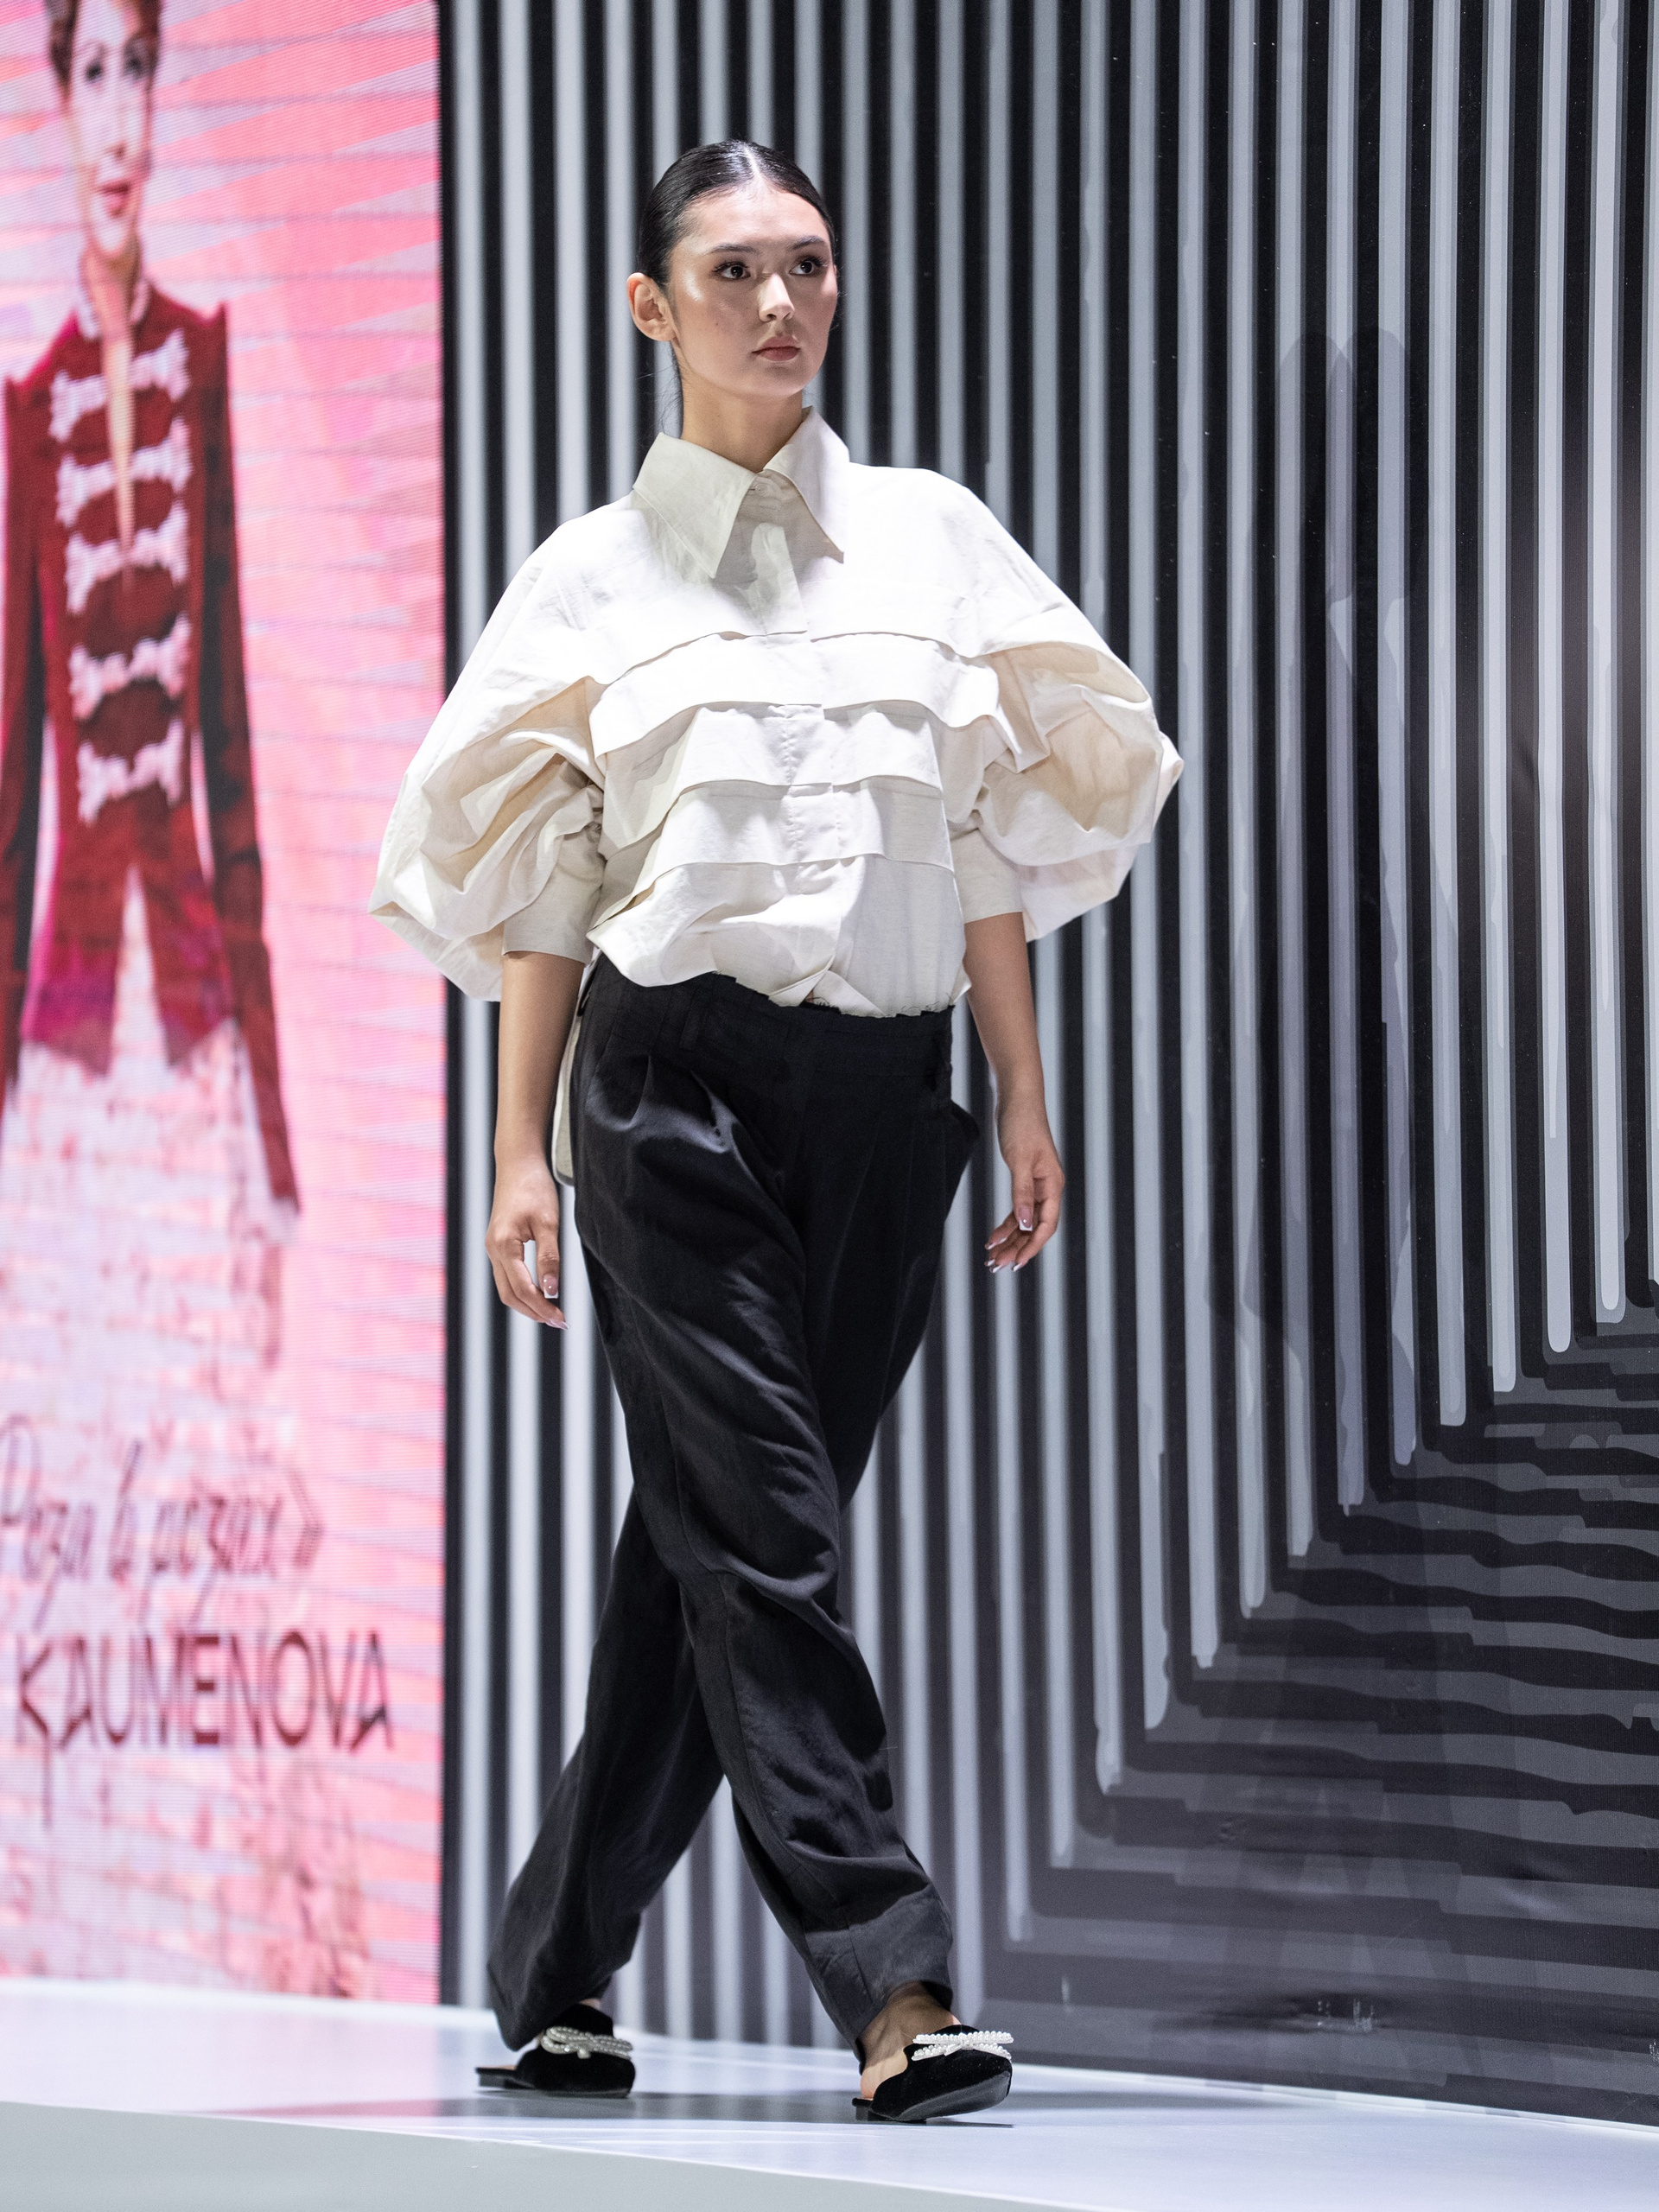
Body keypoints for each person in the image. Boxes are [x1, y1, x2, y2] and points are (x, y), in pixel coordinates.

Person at [373, 139, 1178, 2123]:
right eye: (732, 270)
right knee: (775, 1540)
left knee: (713, 1551)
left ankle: (554, 1962)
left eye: (806, 262)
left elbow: (979, 838)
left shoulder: (930, 536)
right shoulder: (588, 576)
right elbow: (548, 889)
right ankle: (894, 1980)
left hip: (884, 1098)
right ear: (652, 307)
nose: (779, 302)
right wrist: (521, 1151)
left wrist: (1022, 1088)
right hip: (673, 1093)